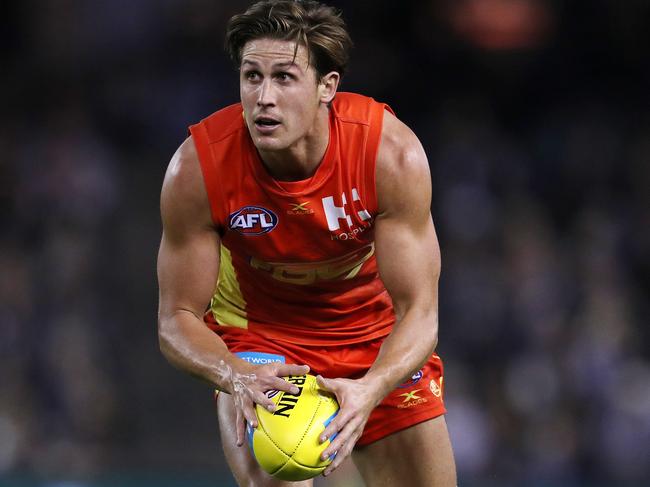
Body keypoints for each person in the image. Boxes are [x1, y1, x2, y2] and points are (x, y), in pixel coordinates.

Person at [157, 1, 456, 485]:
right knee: (277, 467)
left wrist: (374, 386)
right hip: (259, 341)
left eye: (285, 77)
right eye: (251, 76)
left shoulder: (389, 155)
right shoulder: (197, 169)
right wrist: (235, 374)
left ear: (327, 87)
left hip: (371, 337)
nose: (264, 97)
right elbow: (176, 319)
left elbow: (420, 312)